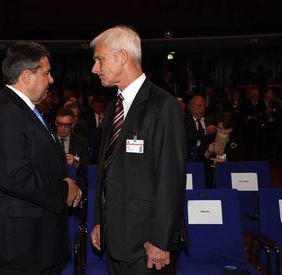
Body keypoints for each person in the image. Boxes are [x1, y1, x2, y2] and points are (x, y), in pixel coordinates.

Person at [0, 41, 82, 274]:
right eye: (46, 73)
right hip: (16, 249)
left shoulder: (20, 110)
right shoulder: (4, 114)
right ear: (26, 76)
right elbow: (14, 176)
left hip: (34, 244)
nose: (51, 80)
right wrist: (63, 191)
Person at [89, 26, 187, 274]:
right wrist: (101, 221)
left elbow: (170, 179)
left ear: (122, 56)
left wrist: (161, 241)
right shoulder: (113, 107)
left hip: (146, 244)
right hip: (115, 239)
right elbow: (106, 170)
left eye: (99, 60)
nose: (95, 68)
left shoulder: (163, 105)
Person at [55, 108, 89, 193]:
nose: (63, 128)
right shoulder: (48, 139)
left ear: (72, 125)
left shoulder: (81, 142)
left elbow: (86, 170)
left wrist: (75, 163)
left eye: (66, 125)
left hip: (74, 184)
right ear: (56, 123)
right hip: (52, 182)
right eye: (60, 124)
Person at [183, 94, 216, 161]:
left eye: (204, 106)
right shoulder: (184, 120)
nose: (202, 108)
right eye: (199, 105)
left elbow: (213, 138)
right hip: (189, 154)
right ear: (190, 107)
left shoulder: (210, 119)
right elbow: (185, 136)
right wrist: (205, 131)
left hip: (207, 154)